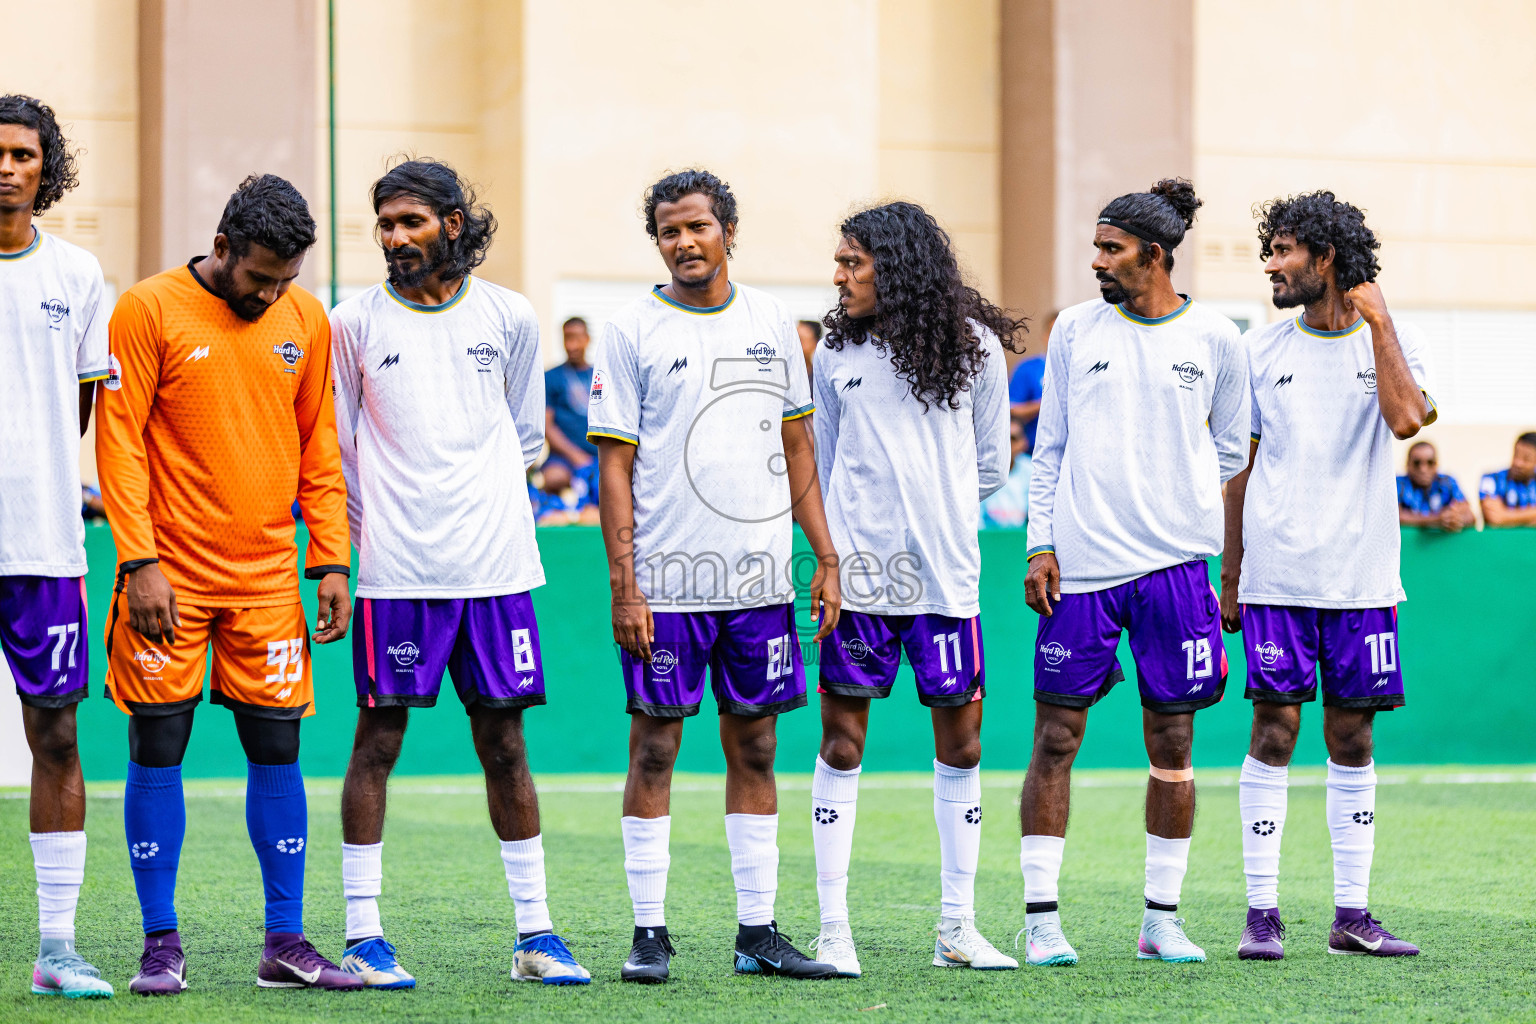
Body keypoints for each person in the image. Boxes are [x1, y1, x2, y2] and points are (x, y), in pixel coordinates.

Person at [95, 174, 360, 993]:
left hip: (269, 582)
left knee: (278, 747)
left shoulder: (305, 320)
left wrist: (330, 560)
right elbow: (121, 440)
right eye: (259, 278)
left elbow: (319, 447)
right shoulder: (148, 309)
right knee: (159, 744)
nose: (272, 293)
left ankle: (285, 941)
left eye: (286, 279)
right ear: (221, 247)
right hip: (166, 578)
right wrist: (138, 560)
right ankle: (160, 942)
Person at [329, 160, 590, 987]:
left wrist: (474, 513)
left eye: (410, 221)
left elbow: (523, 439)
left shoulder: (511, 315)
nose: (395, 238)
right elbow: (337, 450)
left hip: (496, 569)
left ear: (450, 221)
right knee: (378, 742)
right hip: (394, 573)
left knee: (506, 744)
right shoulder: (352, 323)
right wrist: (359, 550)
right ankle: (364, 935)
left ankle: (536, 936)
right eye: (384, 224)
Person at [588, 169, 842, 983]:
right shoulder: (629, 330)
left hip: (760, 587)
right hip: (667, 588)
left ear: (728, 229)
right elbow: (614, 469)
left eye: (697, 226)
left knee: (759, 749)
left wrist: (826, 557)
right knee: (655, 751)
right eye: (669, 231)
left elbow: (799, 448)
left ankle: (758, 931)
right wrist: (626, 584)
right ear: (657, 241)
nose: (684, 242)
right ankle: (650, 933)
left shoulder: (773, 321)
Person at [1019, 179, 1247, 967]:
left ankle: (1161, 920)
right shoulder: (1076, 330)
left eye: (1110, 249)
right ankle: (1042, 920)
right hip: (1081, 568)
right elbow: (1048, 447)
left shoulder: (1217, 337)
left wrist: (1181, 505)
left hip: (1178, 571)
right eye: (1097, 246)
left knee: (1174, 741)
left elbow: (1229, 448)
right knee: (1055, 737)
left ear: (1154, 255)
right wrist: (1039, 543)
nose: (1096, 261)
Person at [808, 201, 1024, 976]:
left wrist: (932, 512)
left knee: (962, 745)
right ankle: (834, 931)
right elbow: (824, 467)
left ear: (895, 266)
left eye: (852, 263)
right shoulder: (834, 351)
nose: (839, 277)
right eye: (839, 263)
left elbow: (992, 465)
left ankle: (956, 928)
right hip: (862, 580)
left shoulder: (972, 347)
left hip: (945, 579)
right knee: (841, 744)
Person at [1222, 190, 1430, 961]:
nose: (1271, 266)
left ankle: (1352, 916)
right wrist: (1232, 575)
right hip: (1277, 575)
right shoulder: (1258, 352)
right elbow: (1237, 473)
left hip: (1362, 579)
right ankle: (1262, 914)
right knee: (1273, 732)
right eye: (1269, 252)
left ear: (1327, 258)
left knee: (1352, 737)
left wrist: (1379, 323)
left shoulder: (1391, 339)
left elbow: (1408, 422)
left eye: (1283, 251)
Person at [0, 94, 115, 1000]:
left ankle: (57, 947)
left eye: (23, 154)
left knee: (58, 734)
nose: (7, 166)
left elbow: (82, 412)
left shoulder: (78, 274)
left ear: (48, 168)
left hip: (42, 543)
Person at [543, 317, 597, 485]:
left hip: (599, 455)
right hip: (562, 458)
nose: (571, 346)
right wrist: (576, 456)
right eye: (567, 338)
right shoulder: (551, 377)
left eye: (576, 338)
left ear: (587, 340)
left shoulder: (600, 375)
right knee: (554, 479)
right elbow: (546, 426)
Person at [1396, 441, 1472, 531]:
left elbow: (1470, 515)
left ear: (1436, 465)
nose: (1423, 469)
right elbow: (1394, 517)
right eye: (1417, 463)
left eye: (1430, 463)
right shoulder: (1398, 483)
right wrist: (1437, 519)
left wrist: (1455, 518)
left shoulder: (1447, 482)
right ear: (1408, 465)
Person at [1007, 310, 1054, 453]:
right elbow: (1012, 409)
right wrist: (1046, 403)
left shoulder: (1081, 369)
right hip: (1032, 452)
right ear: (1044, 336)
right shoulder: (1028, 369)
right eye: (1054, 333)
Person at [980, 420, 1030, 529]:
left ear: (1024, 443)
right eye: (1004, 437)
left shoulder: (1031, 470)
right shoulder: (983, 467)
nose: (1008, 443)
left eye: (1013, 438)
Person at [1479, 432, 1536, 527]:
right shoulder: (1491, 479)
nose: (1518, 463)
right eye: (1516, 455)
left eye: (1526, 459)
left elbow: (1502, 517)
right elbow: (1494, 516)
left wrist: (1506, 517)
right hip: (1499, 541)